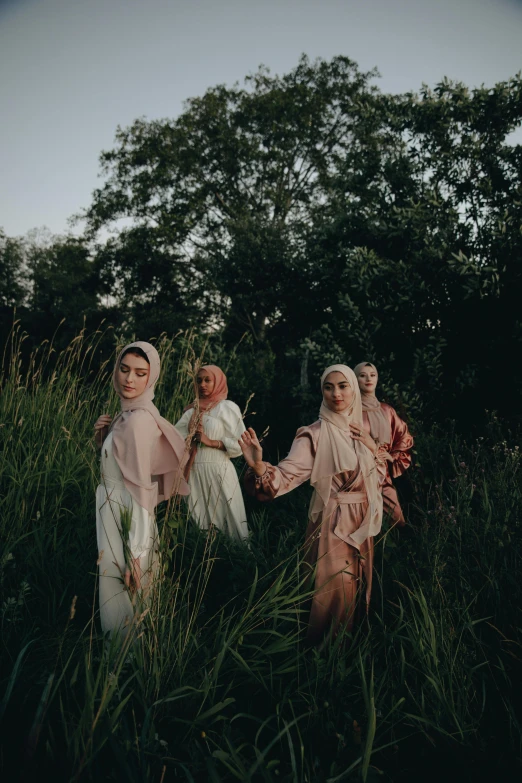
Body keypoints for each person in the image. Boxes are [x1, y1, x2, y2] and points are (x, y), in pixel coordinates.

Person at [240, 364, 384, 645]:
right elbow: (285, 477)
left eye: (343, 386)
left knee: (358, 586)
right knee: (333, 590)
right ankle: (323, 659)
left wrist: (372, 446)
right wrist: (259, 466)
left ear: (353, 388)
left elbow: (378, 475)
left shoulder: (360, 428)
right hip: (334, 526)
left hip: (362, 522)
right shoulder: (314, 434)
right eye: (328, 387)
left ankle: (353, 653)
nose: (336, 393)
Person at [93, 341, 189, 637]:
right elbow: (122, 467)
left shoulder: (137, 422)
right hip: (115, 508)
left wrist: (136, 554)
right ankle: (129, 664)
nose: (129, 379)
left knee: (122, 594)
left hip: (125, 514)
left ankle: (122, 667)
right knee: (124, 596)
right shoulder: (128, 415)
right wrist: (102, 440)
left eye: (139, 373)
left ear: (152, 377)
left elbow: (141, 491)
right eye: (123, 370)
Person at [174, 365, 249, 541]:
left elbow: (241, 443)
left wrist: (212, 442)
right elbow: (174, 438)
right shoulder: (191, 411)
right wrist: (189, 438)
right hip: (194, 473)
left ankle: (237, 562)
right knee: (200, 525)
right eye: (199, 380)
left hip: (219, 471)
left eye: (208, 380)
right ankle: (205, 564)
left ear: (218, 382)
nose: (202, 384)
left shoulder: (226, 408)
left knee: (229, 520)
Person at [354, 362, 414, 527]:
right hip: (358, 475)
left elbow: (404, 436)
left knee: (398, 523)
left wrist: (393, 455)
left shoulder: (387, 410)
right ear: (354, 379)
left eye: (372, 375)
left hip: (383, 475)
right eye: (362, 375)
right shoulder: (350, 411)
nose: (368, 379)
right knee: (360, 525)